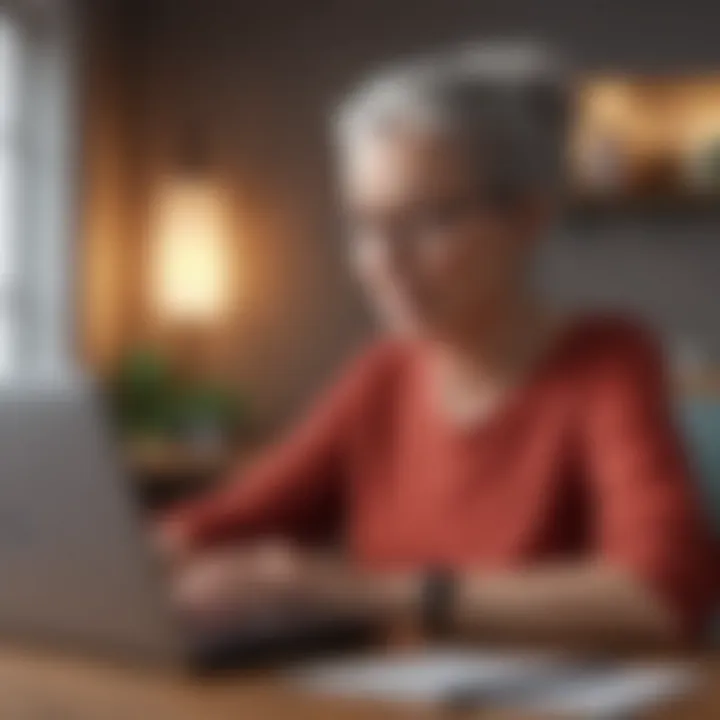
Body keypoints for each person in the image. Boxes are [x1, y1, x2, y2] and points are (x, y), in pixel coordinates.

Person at [159, 42, 716, 648]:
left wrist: (356, 591)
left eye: (426, 221)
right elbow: (226, 522)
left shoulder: (608, 361)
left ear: (526, 218)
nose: (384, 262)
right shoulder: (383, 374)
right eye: (365, 225)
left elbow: (660, 595)